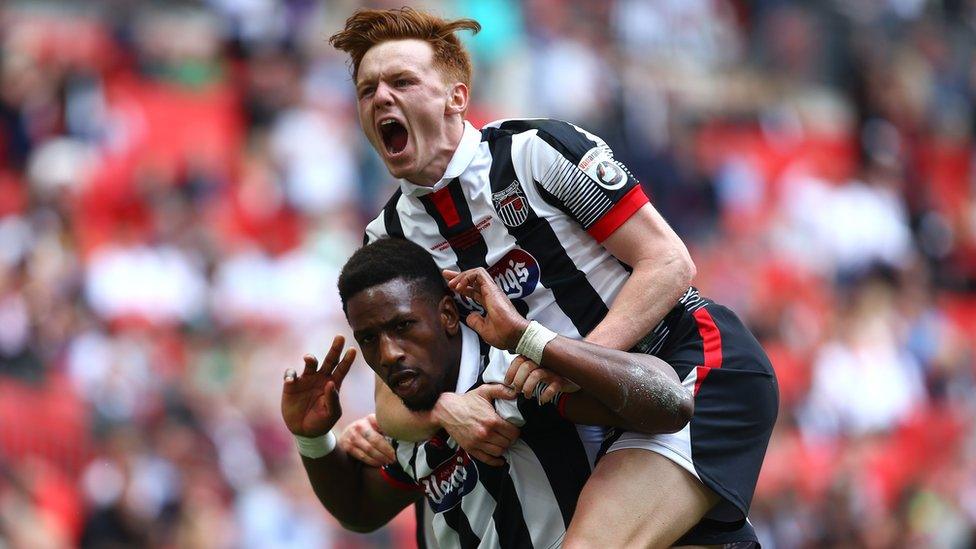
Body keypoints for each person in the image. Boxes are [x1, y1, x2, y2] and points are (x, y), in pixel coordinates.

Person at [329, 7, 778, 547]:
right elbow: (390, 402)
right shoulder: (388, 239)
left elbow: (669, 263)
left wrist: (580, 362)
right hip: (581, 417)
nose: (381, 97)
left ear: (456, 97)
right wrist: (447, 409)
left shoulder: (535, 152)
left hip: (684, 365)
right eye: (367, 89)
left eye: (402, 81)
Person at [281, 238, 693, 547]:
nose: (388, 353)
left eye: (403, 326)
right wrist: (312, 437)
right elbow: (360, 510)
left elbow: (670, 404)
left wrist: (529, 338)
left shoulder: (509, 377)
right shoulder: (404, 422)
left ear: (446, 315)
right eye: (369, 338)